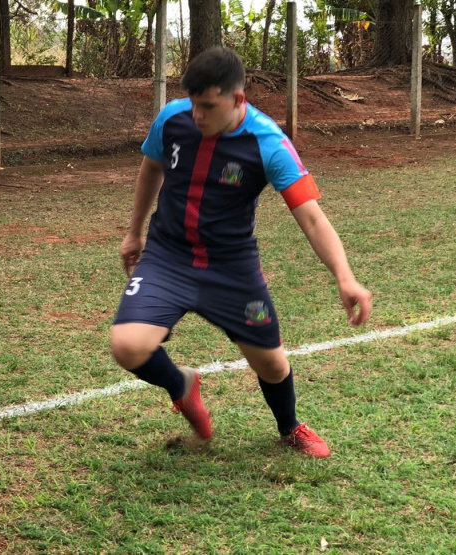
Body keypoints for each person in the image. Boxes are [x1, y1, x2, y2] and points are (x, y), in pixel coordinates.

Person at [110, 47, 372, 458]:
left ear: (237, 99)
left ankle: (290, 426)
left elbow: (313, 219)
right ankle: (182, 385)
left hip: (232, 270)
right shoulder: (172, 118)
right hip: (167, 258)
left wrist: (345, 276)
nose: (197, 115)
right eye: (194, 104)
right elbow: (151, 168)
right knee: (127, 345)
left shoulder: (268, 143)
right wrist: (134, 233)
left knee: (271, 364)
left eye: (208, 106)